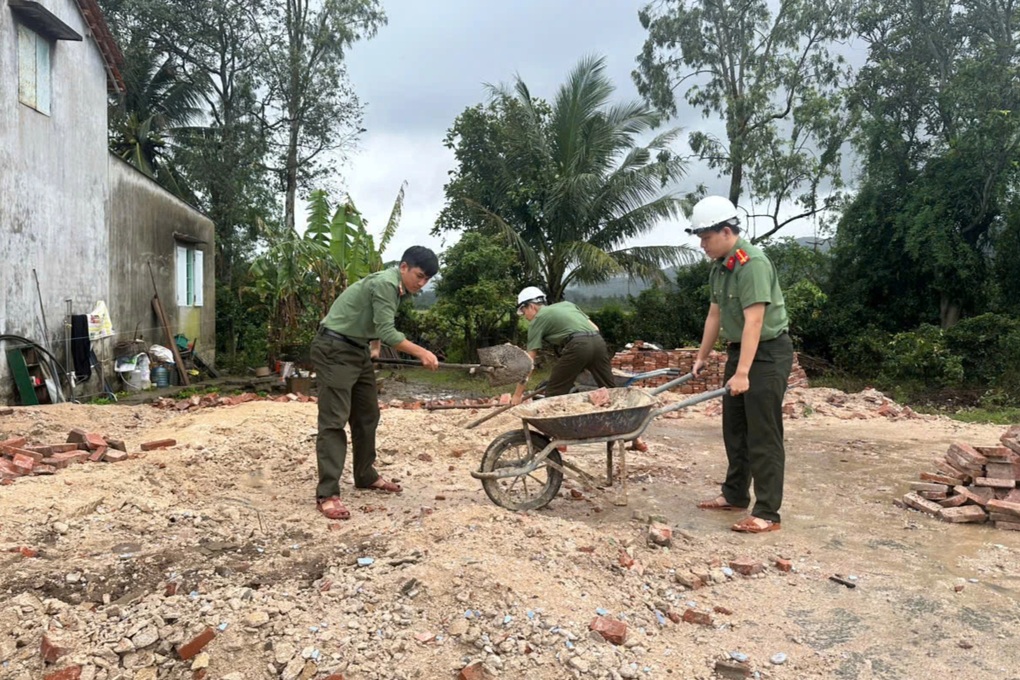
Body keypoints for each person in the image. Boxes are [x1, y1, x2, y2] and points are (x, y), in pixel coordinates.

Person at [687, 196, 793, 534]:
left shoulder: (753, 264)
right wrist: (703, 355)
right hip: (741, 353)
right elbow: (714, 315)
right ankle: (734, 494)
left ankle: (767, 513)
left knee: (763, 434)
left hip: (766, 354)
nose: (702, 245)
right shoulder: (720, 267)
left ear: (727, 231)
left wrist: (744, 372)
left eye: (706, 238)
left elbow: (755, 321)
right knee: (734, 429)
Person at [310, 246, 440, 520]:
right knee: (334, 421)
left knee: (368, 414)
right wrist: (422, 352)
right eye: (419, 275)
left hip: (356, 348)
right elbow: (388, 329)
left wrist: (375, 346)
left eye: (427, 279)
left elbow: (377, 320)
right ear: (404, 267)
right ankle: (328, 493)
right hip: (334, 347)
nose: (422, 282)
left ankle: (365, 475)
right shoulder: (385, 284)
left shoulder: (398, 289)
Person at [511, 287, 647, 451]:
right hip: (598, 343)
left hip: (577, 346)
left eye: (523, 311)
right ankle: (636, 438)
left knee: (553, 391)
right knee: (613, 391)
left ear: (532, 306)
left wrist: (518, 395)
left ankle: (561, 438)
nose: (525, 317)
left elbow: (529, 363)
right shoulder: (567, 305)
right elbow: (595, 328)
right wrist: (584, 361)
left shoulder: (537, 321)